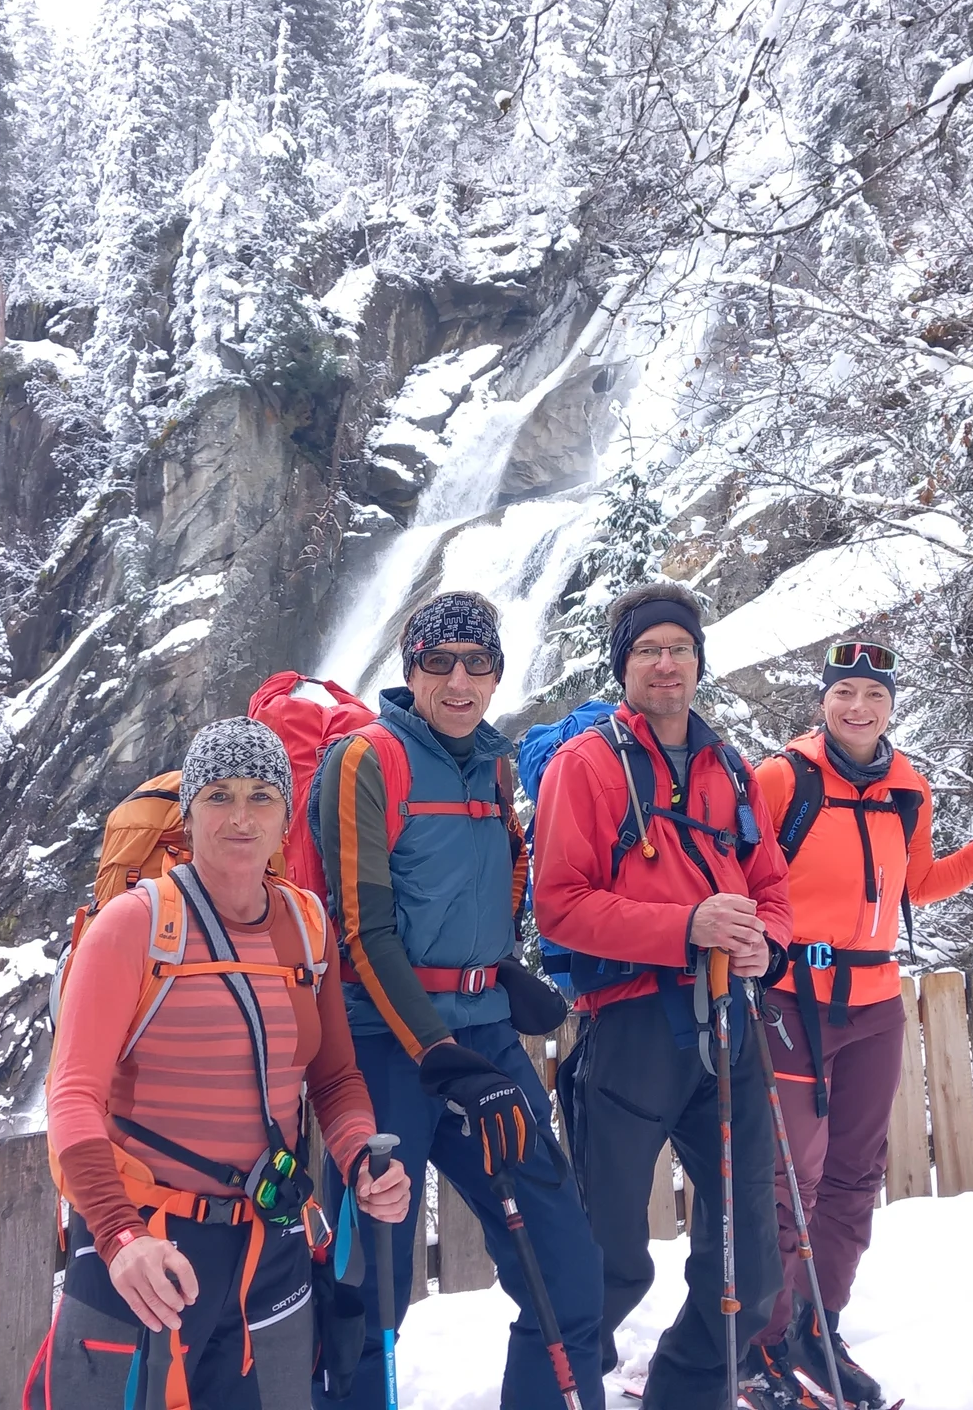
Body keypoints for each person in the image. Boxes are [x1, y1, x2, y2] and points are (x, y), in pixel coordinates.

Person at [35, 717, 412, 1409]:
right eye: (218, 794)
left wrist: (360, 1156)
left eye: (262, 795)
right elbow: (72, 1097)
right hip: (148, 1247)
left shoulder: (306, 926)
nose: (241, 817)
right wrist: (119, 1237)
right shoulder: (134, 925)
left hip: (270, 1245)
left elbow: (333, 1078)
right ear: (189, 811)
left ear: (287, 815)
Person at [315, 590, 605, 1410]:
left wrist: (497, 974)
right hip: (383, 1047)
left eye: (478, 663)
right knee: (371, 1293)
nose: (459, 681)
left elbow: (479, 895)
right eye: (438, 662)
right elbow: (366, 930)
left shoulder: (497, 760)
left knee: (565, 1271)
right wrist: (438, 1053)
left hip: (483, 1037)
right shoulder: (366, 759)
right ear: (411, 669)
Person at [743, 642, 973, 1409]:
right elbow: (744, 874)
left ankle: (819, 1323)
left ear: (890, 706)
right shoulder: (782, 780)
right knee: (790, 1178)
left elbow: (919, 885)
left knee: (854, 1174)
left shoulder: (910, 789)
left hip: (877, 998)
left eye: (872, 695)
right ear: (822, 702)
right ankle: (764, 1342)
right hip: (792, 999)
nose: (857, 708)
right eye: (843, 692)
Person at [533, 581, 795, 1410]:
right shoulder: (586, 766)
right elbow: (560, 906)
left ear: (697, 662)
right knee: (607, 1261)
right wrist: (689, 926)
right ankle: (550, 1390)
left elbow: (773, 889)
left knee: (750, 1264)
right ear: (624, 666)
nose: (666, 662)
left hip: (731, 1024)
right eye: (648, 649)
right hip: (632, 1030)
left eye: (679, 647)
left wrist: (767, 944)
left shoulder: (731, 770)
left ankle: (685, 1394)